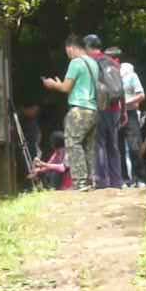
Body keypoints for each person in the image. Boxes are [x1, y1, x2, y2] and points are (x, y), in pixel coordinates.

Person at [42, 35, 98, 190]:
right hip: (93, 109)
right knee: (88, 145)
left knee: (73, 143)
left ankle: (80, 182)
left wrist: (53, 84)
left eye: (68, 52)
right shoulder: (93, 63)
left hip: (79, 109)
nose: (68, 55)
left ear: (71, 48)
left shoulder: (76, 63)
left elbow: (66, 88)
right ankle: (90, 181)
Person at [85, 34, 124, 189]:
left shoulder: (91, 63)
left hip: (100, 108)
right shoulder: (112, 62)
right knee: (113, 145)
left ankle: (102, 180)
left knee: (99, 143)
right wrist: (124, 111)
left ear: (88, 47)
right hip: (115, 108)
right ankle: (117, 181)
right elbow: (120, 88)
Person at [119, 62, 146, 186]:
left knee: (134, 147)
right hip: (116, 116)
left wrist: (126, 102)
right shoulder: (113, 77)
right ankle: (124, 179)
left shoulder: (132, 76)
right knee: (119, 149)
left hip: (130, 114)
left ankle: (139, 178)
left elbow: (141, 95)